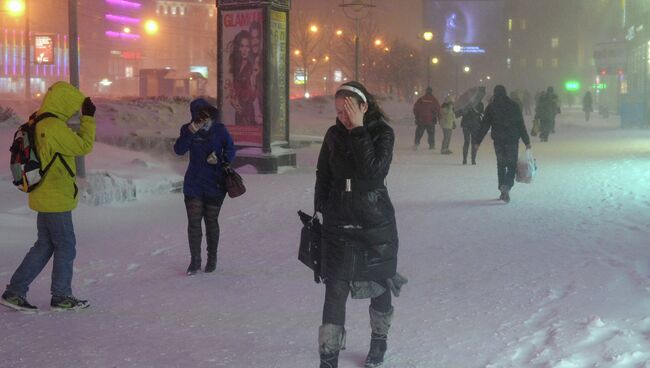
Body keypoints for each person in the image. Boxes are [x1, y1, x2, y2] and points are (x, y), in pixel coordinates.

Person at [314, 81, 406, 368]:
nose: (342, 117)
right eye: (339, 112)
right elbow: (323, 175)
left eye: (348, 110)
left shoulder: (382, 133)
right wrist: (322, 210)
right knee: (335, 290)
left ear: (363, 107)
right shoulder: (333, 134)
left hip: (374, 224)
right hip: (339, 225)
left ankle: (379, 340)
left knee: (379, 287)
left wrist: (358, 129)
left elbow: (374, 172)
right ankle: (328, 357)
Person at [1, 81, 96, 312]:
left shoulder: (37, 120)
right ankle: (61, 296)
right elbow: (83, 146)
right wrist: (88, 119)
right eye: (73, 107)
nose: (74, 112)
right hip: (55, 195)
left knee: (44, 245)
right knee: (66, 245)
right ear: (64, 103)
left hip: (43, 192)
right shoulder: (53, 127)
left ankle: (15, 292)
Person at [173, 98, 236, 275]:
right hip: (193, 183)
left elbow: (231, 150)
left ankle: (212, 258)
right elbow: (179, 150)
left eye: (205, 113)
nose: (203, 117)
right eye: (198, 114)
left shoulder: (219, 130)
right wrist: (191, 131)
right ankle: (195, 261)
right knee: (193, 223)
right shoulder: (188, 129)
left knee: (211, 221)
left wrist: (221, 158)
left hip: (215, 183)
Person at [474, 85, 531, 203]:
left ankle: (502, 189)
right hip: (512, 140)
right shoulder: (514, 106)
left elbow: (484, 126)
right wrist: (527, 141)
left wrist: (477, 142)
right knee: (511, 165)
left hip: (499, 141)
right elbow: (521, 124)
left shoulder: (491, 107)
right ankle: (507, 186)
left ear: (495, 94)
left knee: (500, 165)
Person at [228, 30, 257, 125]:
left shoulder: (251, 66)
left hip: (247, 110)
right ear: (238, 47)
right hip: (238, 110)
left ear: (250, 48)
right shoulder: (236, 65)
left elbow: (252, 94)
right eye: (242, 46)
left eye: (247, 46)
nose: (244, 49)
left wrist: (239, 98)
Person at [460, 99, 484, 165]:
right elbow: (461, 113)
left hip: (474, 124)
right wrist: (467, 110)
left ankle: (473, 159)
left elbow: (482, 112)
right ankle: (465, 159)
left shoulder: (479, 103)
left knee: (473, 142)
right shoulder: (466, 103)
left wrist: (475, 110)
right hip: (468, 124)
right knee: (467, 141)